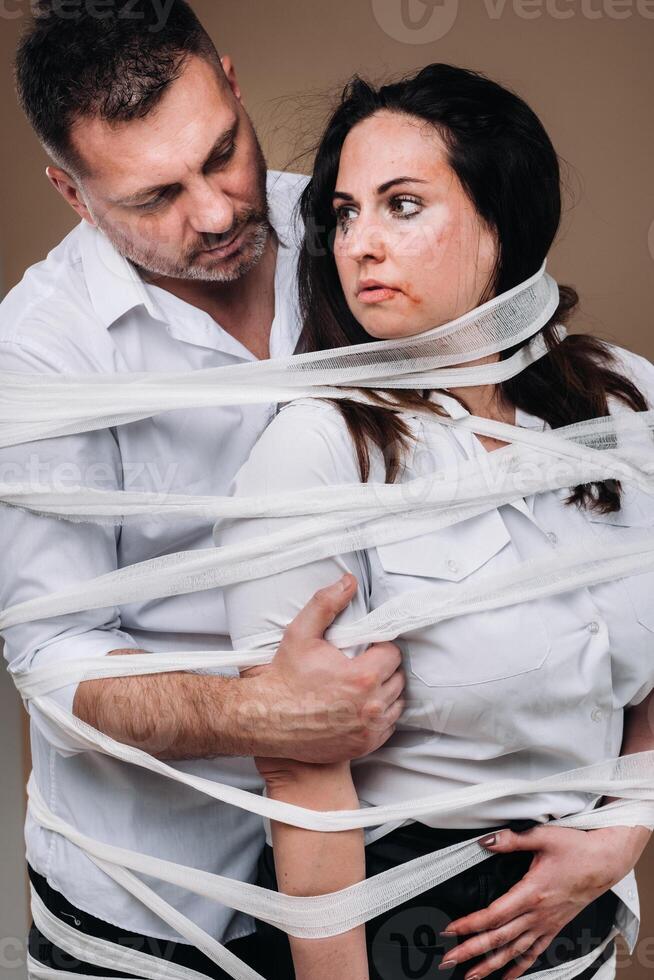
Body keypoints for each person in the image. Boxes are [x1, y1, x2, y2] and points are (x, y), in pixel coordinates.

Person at [220, 64, 654, 980]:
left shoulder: (627, 399)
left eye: (401, 206)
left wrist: (624, 829)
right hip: (393, 943)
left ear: (504, 219)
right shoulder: (317, 448)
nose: (360, 245)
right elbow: (300, 774)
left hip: (583, 945)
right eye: (344, 213)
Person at [1, 3, 405, 978]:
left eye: (223, 153)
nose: (219, 211)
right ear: (71, 190)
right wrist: (259, 713)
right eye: (154, 197)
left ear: (229, 82)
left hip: (392, 868)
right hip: (154, 905)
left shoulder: (357, 232)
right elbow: (50, 656)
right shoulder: (39, 353)